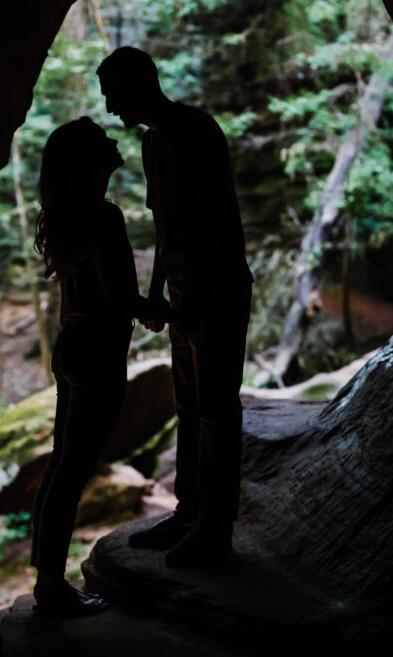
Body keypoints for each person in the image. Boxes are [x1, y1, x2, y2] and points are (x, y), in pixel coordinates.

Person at [97, 47, 253, 568]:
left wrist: (197, 301)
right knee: (189, 408)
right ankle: (189, 513)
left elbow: (215, 224)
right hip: (184, 297)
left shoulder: (197, 130)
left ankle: (216, 529)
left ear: (141, 85)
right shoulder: (151, 143)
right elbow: (164, 226)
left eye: (114, 95)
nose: (111, 108)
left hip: (218, 292)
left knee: (216, 413)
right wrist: (161, 292)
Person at [29, 116, 175, 617]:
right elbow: (120, 298)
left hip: (71, 347)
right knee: (70, 473)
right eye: (101, 138)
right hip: (97, 354)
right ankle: (51, 589)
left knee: (59, 469)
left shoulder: (69, 213)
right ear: (89, 160)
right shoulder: (102, 215)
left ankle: (46, 581)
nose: (114, 138)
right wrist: (168, 312)